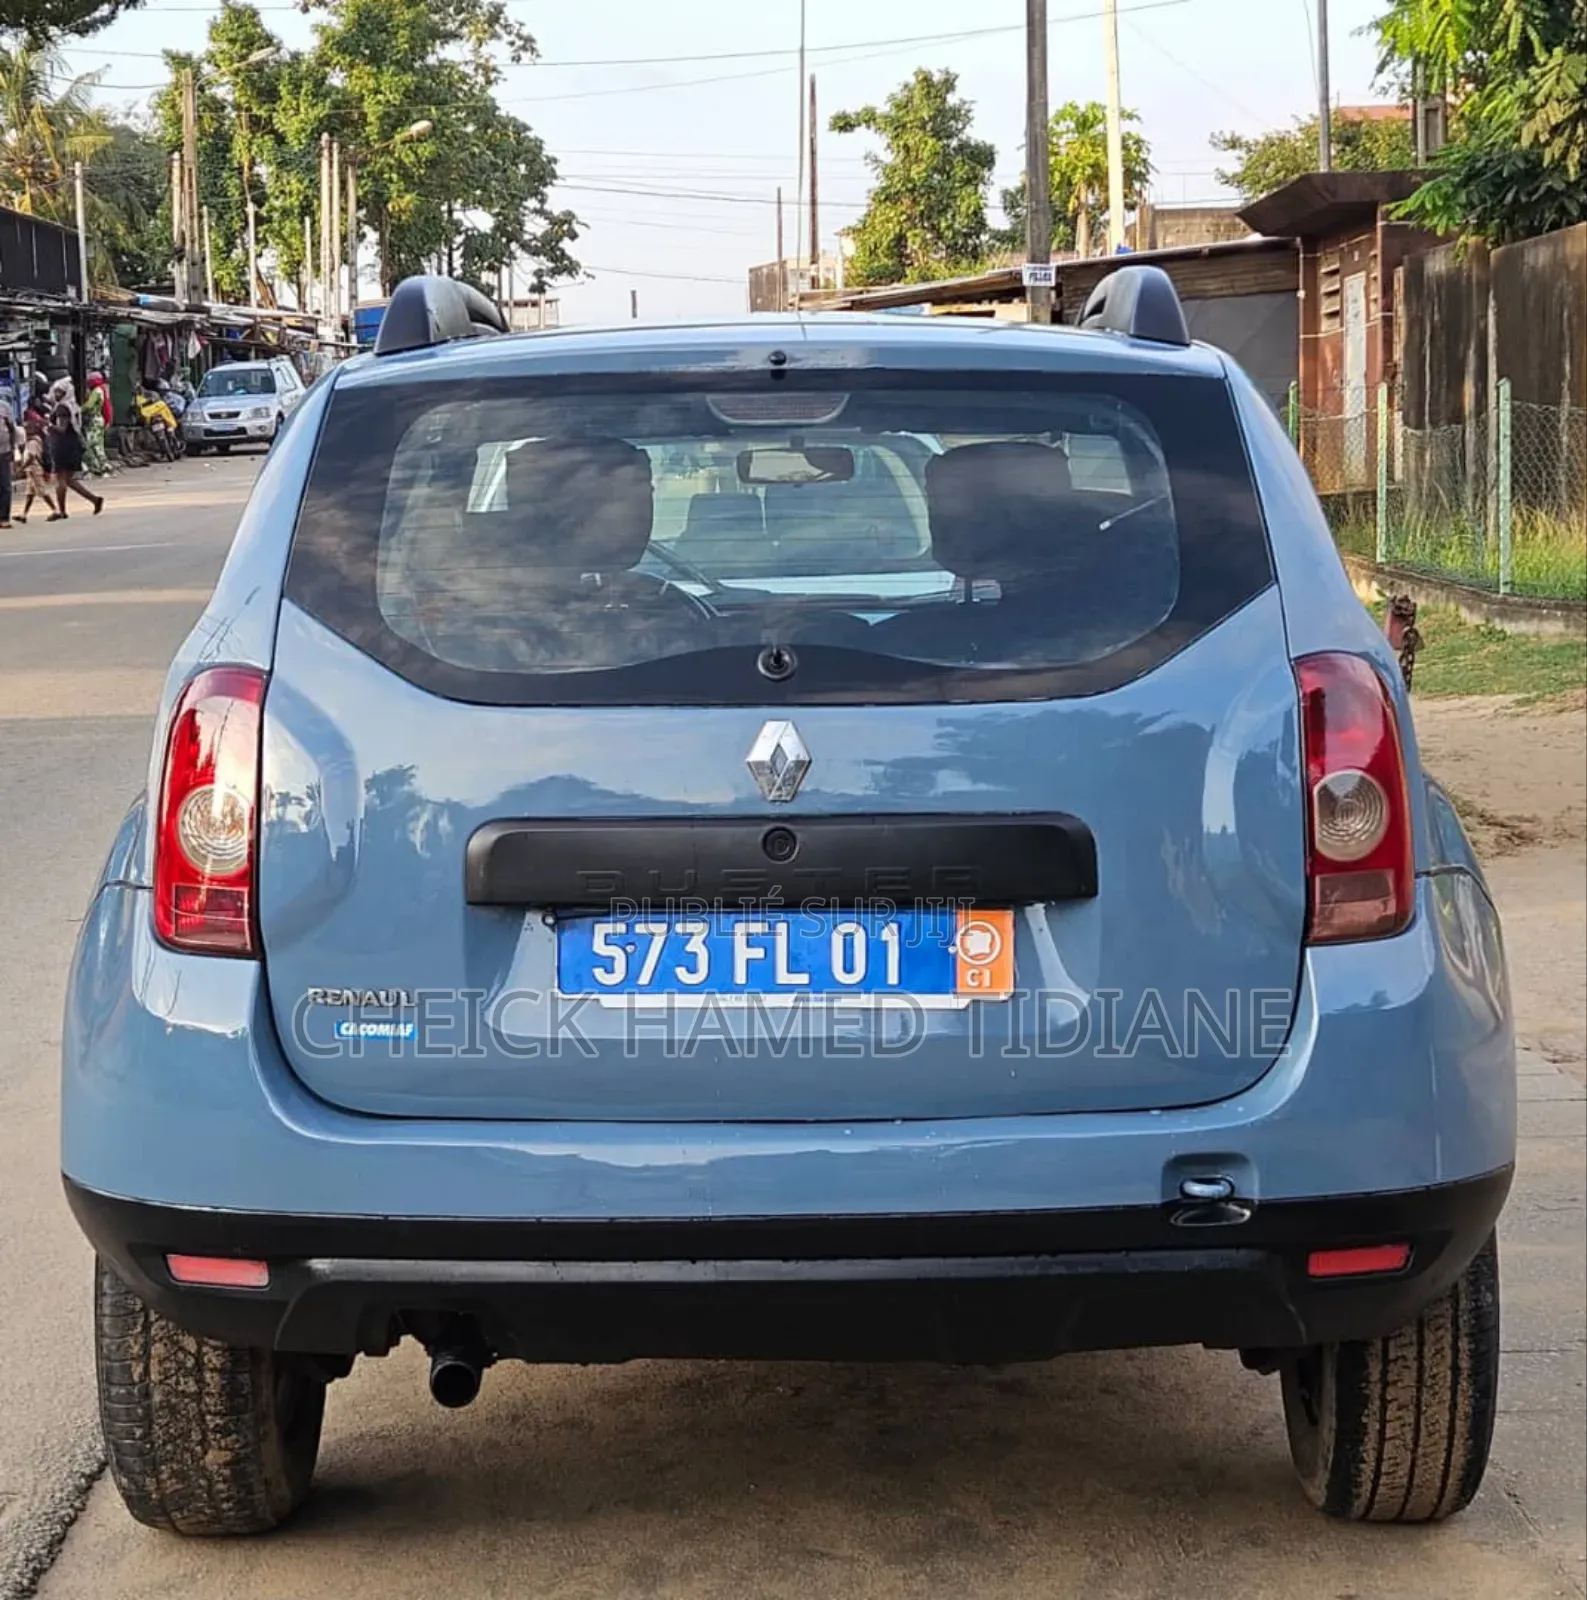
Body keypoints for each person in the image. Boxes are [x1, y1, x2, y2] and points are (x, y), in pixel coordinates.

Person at [47, 405, 103, 519]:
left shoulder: (61, 411)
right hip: (70, 449)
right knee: (69, 481)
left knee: (61, 480)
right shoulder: (67, 410)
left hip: (63, 451)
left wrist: (49, 426)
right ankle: (94, 500)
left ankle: (62, 511)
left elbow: (62, 429)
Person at [16, 409, 52, 524]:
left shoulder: (32, 442)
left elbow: (31, 457)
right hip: (31, 471)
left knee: (42, 492)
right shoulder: (33, 440)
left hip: (35, 470)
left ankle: (55, 510)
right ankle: (23, 514)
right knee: (29, 494)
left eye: (27, 429)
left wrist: (21, 468)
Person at [83, 373, 112, 476]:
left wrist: (79, 409)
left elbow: (89, 405)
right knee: (99, 445)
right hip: (100, 420)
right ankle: (105, 467)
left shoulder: (96, 391)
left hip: (94, 421)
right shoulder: (102, 389)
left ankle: (90, 468)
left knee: (89, 444)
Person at [0, 399, 18, 529]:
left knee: (5, 486)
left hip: (4, 452)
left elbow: (12, 429)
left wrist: (13, 449)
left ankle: (4, 518)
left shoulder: (4, 406)